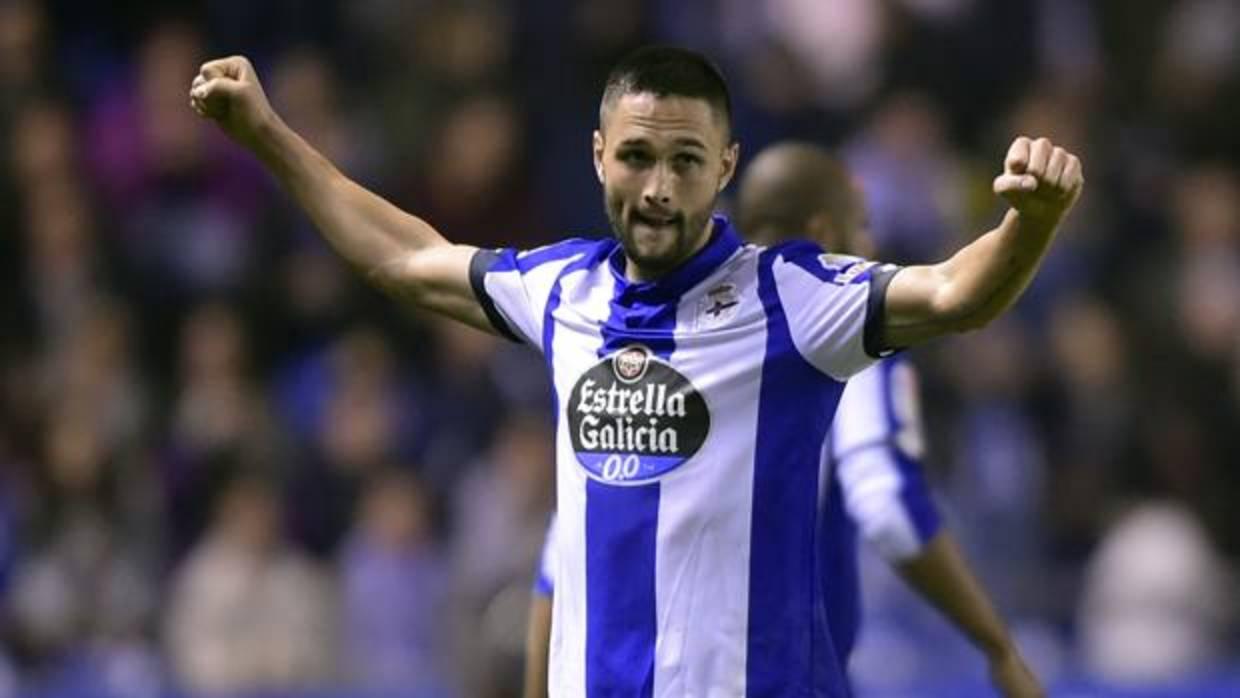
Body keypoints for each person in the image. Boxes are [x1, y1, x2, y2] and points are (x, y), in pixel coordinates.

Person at [190, 45, 1083, 696]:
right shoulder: (561, 288)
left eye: (686, 162)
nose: (658, 187)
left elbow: (957, 294)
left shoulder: (796, 300)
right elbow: (402, 258)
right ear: (598, 155)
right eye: (638, 157)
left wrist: (1030, 224)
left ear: (725, 168)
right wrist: (267, 135)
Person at [522, 142, 1044, 697]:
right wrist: (996, 643)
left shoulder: (663, 334)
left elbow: (565, 550)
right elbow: (886, 503)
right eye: (862, 226)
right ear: (825, 232)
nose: (870, 245)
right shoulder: (843, 334)